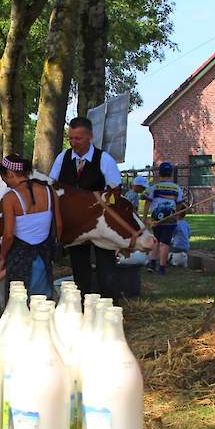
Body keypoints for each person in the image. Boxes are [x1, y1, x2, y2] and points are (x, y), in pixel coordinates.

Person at [49, 116, 122, 298]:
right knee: (80, 271)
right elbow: (51, 187)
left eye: (78, 138)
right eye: (71, 138)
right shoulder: (62, 158)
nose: (73, 143)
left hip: (100, 226)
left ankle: (110, 308)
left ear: (90, 136)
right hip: (75, 227)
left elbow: (115, 194)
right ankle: (82, 309)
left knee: (107, 271)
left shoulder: (104, 160)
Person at [0, 154, 62, 298]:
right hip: (44, 255)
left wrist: (2, 256)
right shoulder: (50, 191)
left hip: (19, 258)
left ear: (9, 173)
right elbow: (58, 225)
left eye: (4, 180)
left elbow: (8, 235)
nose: (6, 184)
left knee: (19, 302)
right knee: (42, 301)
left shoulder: (11, 197)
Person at [143, 162, 184, 275]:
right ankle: (162, 267)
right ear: (171, 174)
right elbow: (179, 203)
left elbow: (147, 203)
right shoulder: (177, 188)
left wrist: (145, 218)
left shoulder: (153, 187)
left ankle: (152, 262)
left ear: (159, 173)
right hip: (170, 219)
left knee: (156, 240)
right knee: (164, 243)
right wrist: (176, 215)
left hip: (156, 220)